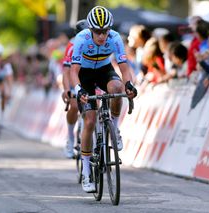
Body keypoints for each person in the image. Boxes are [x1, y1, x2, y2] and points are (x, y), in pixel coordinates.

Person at [70, 6, 137, 193]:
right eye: (98, 32)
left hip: (104, 70)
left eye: (105, 31)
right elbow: (74, 71)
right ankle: (86, 171)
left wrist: (129, 84)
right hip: (84, 75)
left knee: (117, 88)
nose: (101, 36)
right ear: (90, 30)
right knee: (90, 120)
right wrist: (79, 90)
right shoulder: (81, 39)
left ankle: (114, 128)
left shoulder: (115, 37)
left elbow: (123, 67)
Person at [62, 19, 89, 159]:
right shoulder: (72, 45)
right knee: (74, 105)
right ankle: (70, 137)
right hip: (75, 75)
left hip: (91, 75)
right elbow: (66, 71)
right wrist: (67, 89)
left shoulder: (95, 40)